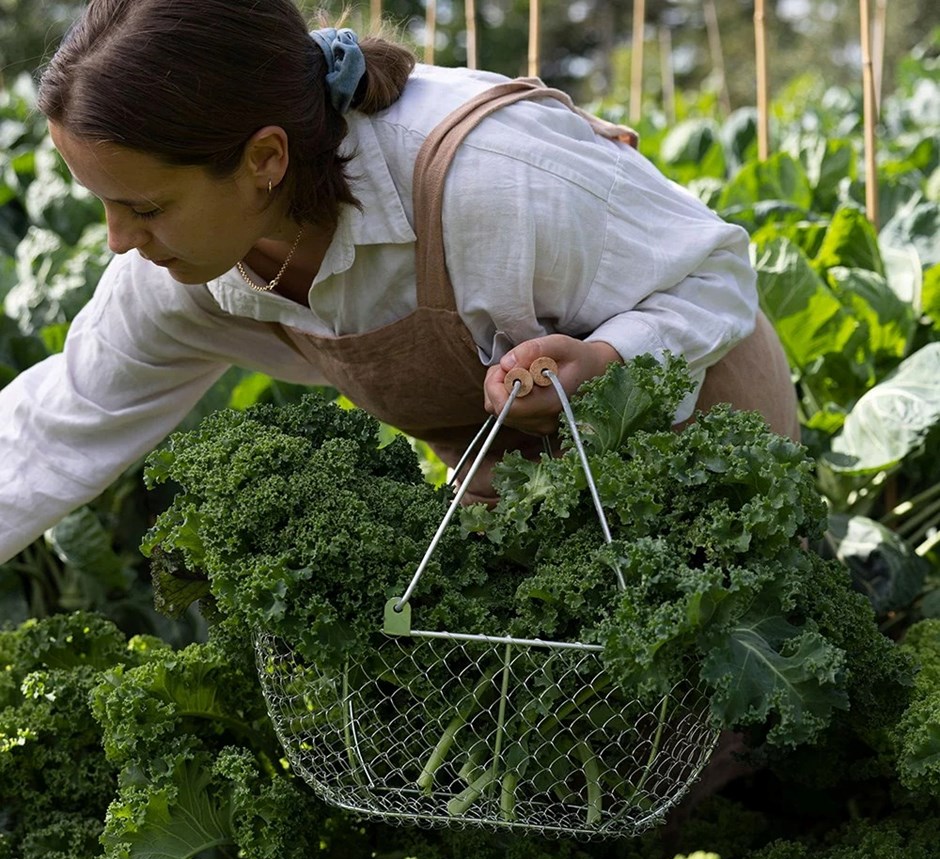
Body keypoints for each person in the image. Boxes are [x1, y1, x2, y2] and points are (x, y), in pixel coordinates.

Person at [0, 0, 797, 566]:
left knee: (702, 755)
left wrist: (613, 359)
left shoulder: (496, 180)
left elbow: (716, 276)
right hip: (519, 497)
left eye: (143, 206)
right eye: (104, 203)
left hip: (701, 436)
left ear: (265, 161)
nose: (118, 241)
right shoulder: (179, 269)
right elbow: (54, 426)